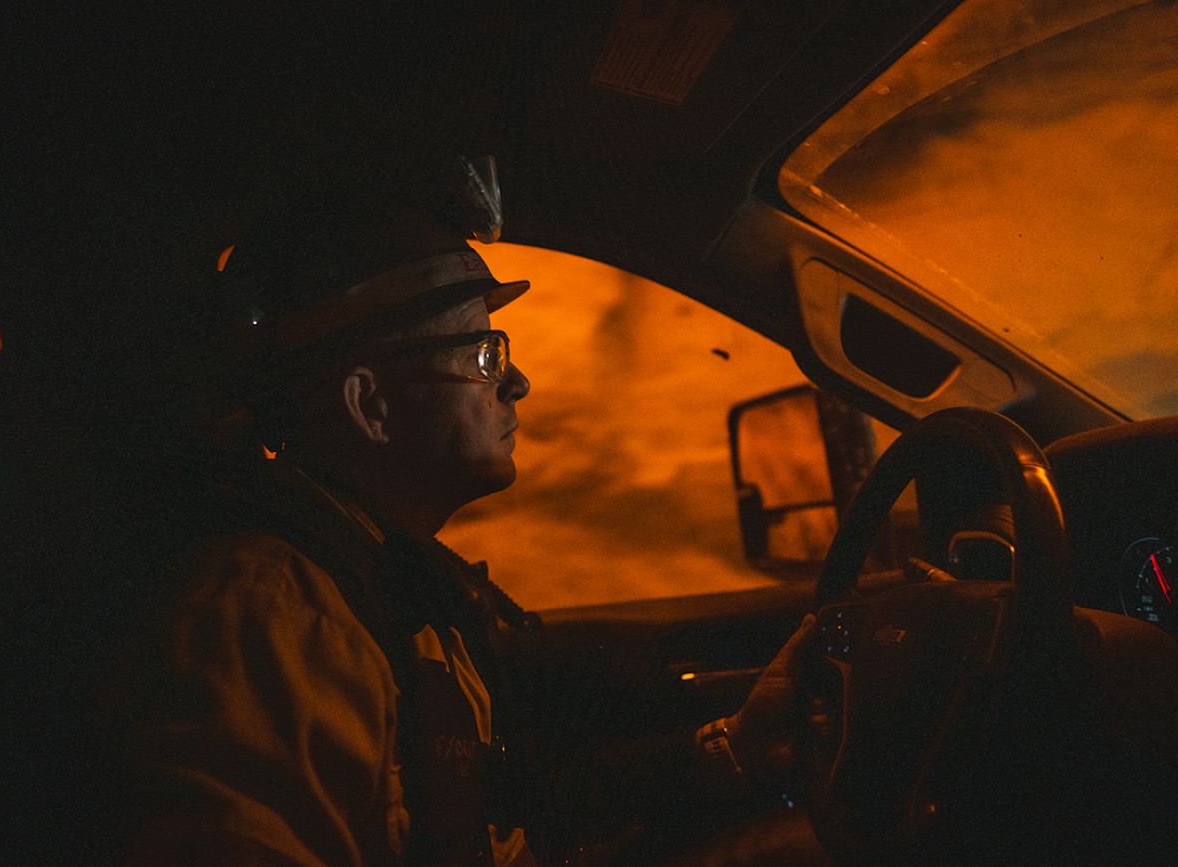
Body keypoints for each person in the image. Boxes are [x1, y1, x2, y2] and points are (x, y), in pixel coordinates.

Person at [101, 193, 817, 867]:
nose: (517, 382)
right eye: (484, 354)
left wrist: (727, 751)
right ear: (370, 405)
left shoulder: (395, 587)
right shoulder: (269, 610)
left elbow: (498, 802)